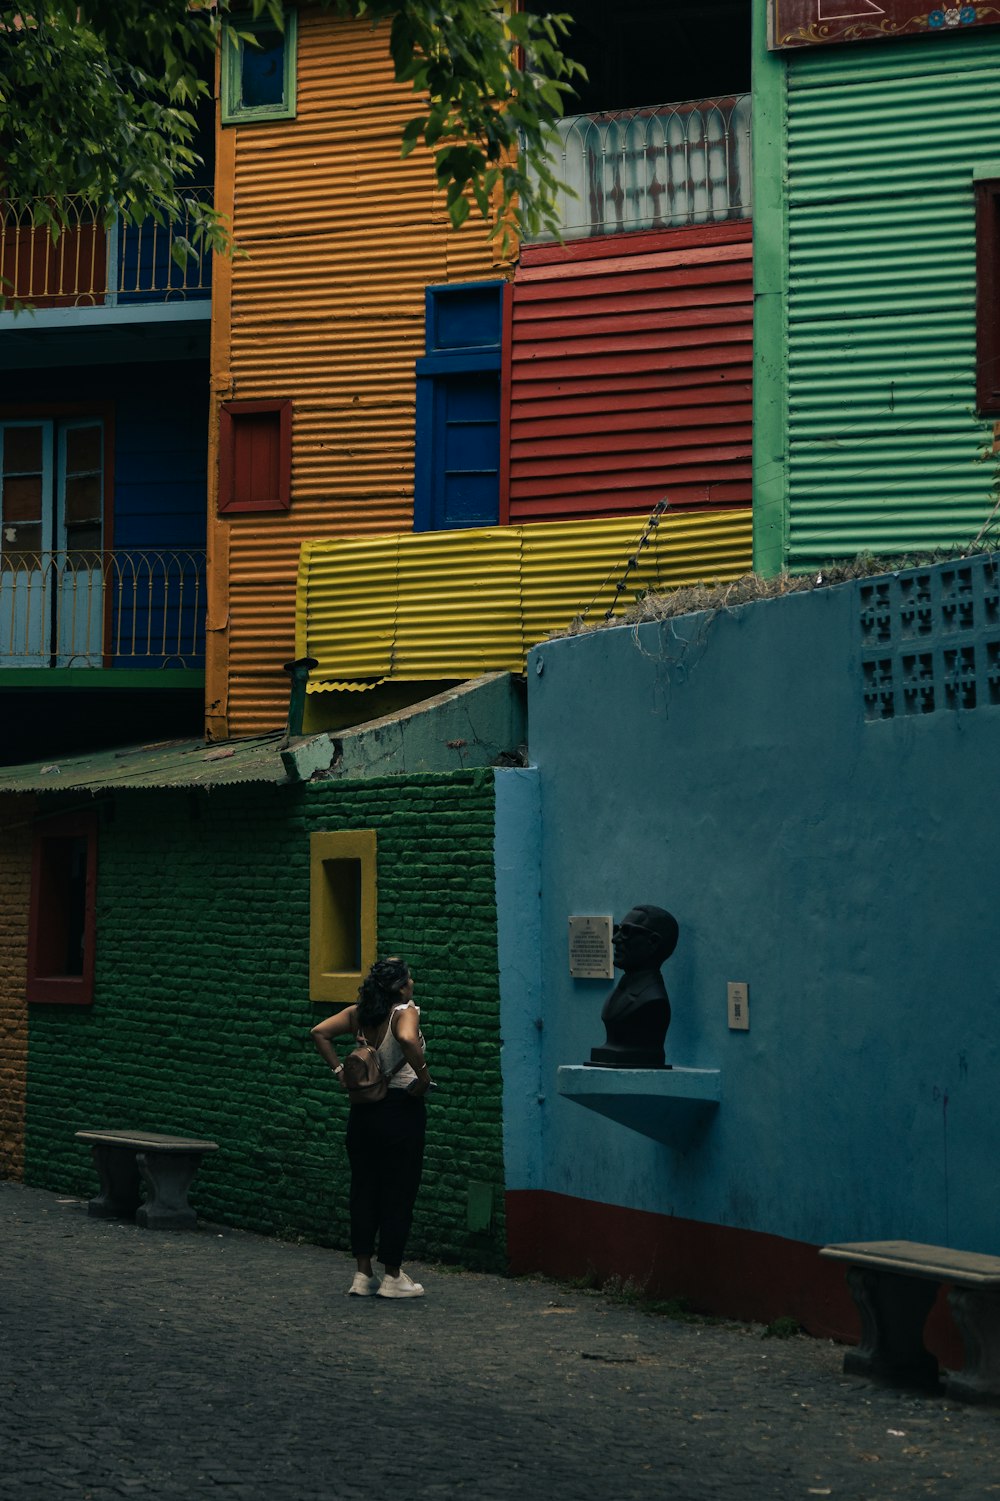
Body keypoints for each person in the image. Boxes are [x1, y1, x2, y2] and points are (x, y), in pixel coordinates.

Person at [310, 957, 433, 1299]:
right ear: (400, 987)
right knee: (399, 1191)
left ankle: (363, 1275)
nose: (413, 982)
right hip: (400, 1109)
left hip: (363, 1113)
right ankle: (393, 1275)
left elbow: (319, 1033)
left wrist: (339, 1073)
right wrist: (423, 1078)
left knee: (363, 1191)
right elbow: (408, 1039)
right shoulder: (405, 1011)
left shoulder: (357, 1014)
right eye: (409, 978)